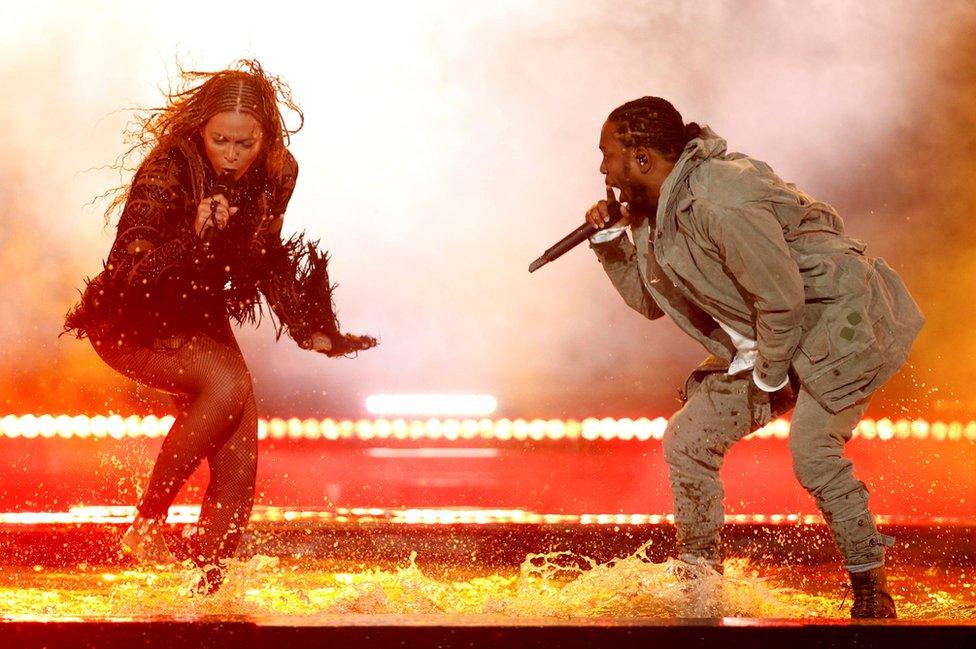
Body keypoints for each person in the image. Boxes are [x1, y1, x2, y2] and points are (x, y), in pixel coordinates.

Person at [584, 97, 923, 618]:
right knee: (689, 438)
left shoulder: (722, 199)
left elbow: (781, 297)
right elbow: (652, 302)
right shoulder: (657, 215)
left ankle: (871, 592)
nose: (601, 168)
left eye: (608, 155)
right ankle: (700, 587)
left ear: (643, 159)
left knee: (813, 453)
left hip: (843, 327)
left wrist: (766, 376)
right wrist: (611, 241)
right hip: (777, 339)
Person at [63, 60, 376, 594]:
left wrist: (306, 326)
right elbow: (129, 273)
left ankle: (210, 591)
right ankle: (149, 519)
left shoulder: (279, 170)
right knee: (229, 381)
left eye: (244, 144)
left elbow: (266, 253)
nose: (232, 156)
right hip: (132, 317)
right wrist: (192, 237)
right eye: (220, 141)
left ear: (267, 137)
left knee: (240, 451)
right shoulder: (170, 168)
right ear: (200, 131)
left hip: (195, 310)